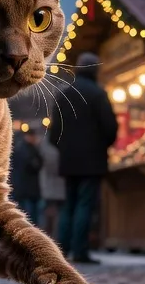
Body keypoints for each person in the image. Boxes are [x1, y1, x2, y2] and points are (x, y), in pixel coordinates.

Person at [48, 52, 118, 265]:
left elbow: (53, 135)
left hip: (69, 161)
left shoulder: (63, 95)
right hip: (92, 160)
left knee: (69, 205)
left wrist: (65, 149)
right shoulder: (98, 94)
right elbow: (110, 128)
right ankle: (80, 251)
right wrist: (100, 146)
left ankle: (62, 250)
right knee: (85, 205)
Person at [10, 123, 44, 226]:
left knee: (23, 215)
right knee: (31, 217)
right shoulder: (30, 150)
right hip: (28, 189)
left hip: (21, 188)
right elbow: (35, 165)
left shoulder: (18, 148)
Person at [37, 128, 66, 235]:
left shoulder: (46, 141)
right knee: (58, 212)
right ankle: (57, 237)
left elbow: (47, 162)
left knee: (49, 212)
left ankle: (50, 236)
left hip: (49, 184)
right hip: (61, 183)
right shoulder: (62, 139)